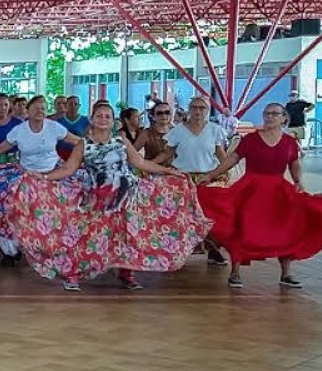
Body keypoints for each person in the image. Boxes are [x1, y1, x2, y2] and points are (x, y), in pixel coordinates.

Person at [11, 102, 209, 291]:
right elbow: (68, 169)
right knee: (87, 237)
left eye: (107, 116)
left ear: (114, 121)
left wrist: (167, 171)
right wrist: (44, 177)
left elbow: (140, 162)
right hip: (96, 198)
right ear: (92, 119)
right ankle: (73, 274)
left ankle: (126, 273)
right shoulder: (83, 144)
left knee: (125, 235)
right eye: (99, 116)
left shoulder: (121, 141)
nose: (103, 119)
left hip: (125, 197)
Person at [198, 103, 322, 289]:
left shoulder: (289, 142)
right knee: (242, 228)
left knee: (287, 228)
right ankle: (235, 273)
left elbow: (294, 163)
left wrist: (298, 181)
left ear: (284, 118)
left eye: (274, 113)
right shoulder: (251, 139)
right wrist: (211, 175)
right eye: (266, 113)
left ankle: (286, 274)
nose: (269, 116)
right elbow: (233, 159)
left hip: (278, 190)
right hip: (250, 189)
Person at [0, 95, 82, 266]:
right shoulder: (19, 130)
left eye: (43, 108)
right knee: (6, 207)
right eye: (36, 108)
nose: (40, 111)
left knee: (63, 207)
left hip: (53, 174)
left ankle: (55, 248)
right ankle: (10, 251)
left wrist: (77, 160)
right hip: (25, 175)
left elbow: (79, 142)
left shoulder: (54, 127)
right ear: (27, 111)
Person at [164, 97, 230, 266]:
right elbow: (167, 154)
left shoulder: (215, 130)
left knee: (210, 216)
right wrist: (148, 165)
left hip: (208, 178)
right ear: (189, 109)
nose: (198, 111)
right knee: (183, 216)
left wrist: (226, 169)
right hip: (183, 179)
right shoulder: (178, 130)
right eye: (194, 107)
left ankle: (213, 249)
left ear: (207, 110)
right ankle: (180, 251)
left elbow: (221, 154)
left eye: (202, 108)